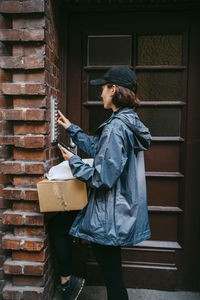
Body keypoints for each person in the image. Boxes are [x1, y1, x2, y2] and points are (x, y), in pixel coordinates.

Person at [50, 65, 151, 300]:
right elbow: (99, 149)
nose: (101, 94)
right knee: (112, 274)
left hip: (108, 214)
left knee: (113, 279)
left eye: (103, 89)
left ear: (114, 89)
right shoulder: (125, 121)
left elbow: (103, 177)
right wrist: (72, 129)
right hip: (112, 209)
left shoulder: (116, 127)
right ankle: (68, 281)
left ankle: (67, 281)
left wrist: (74, 162)